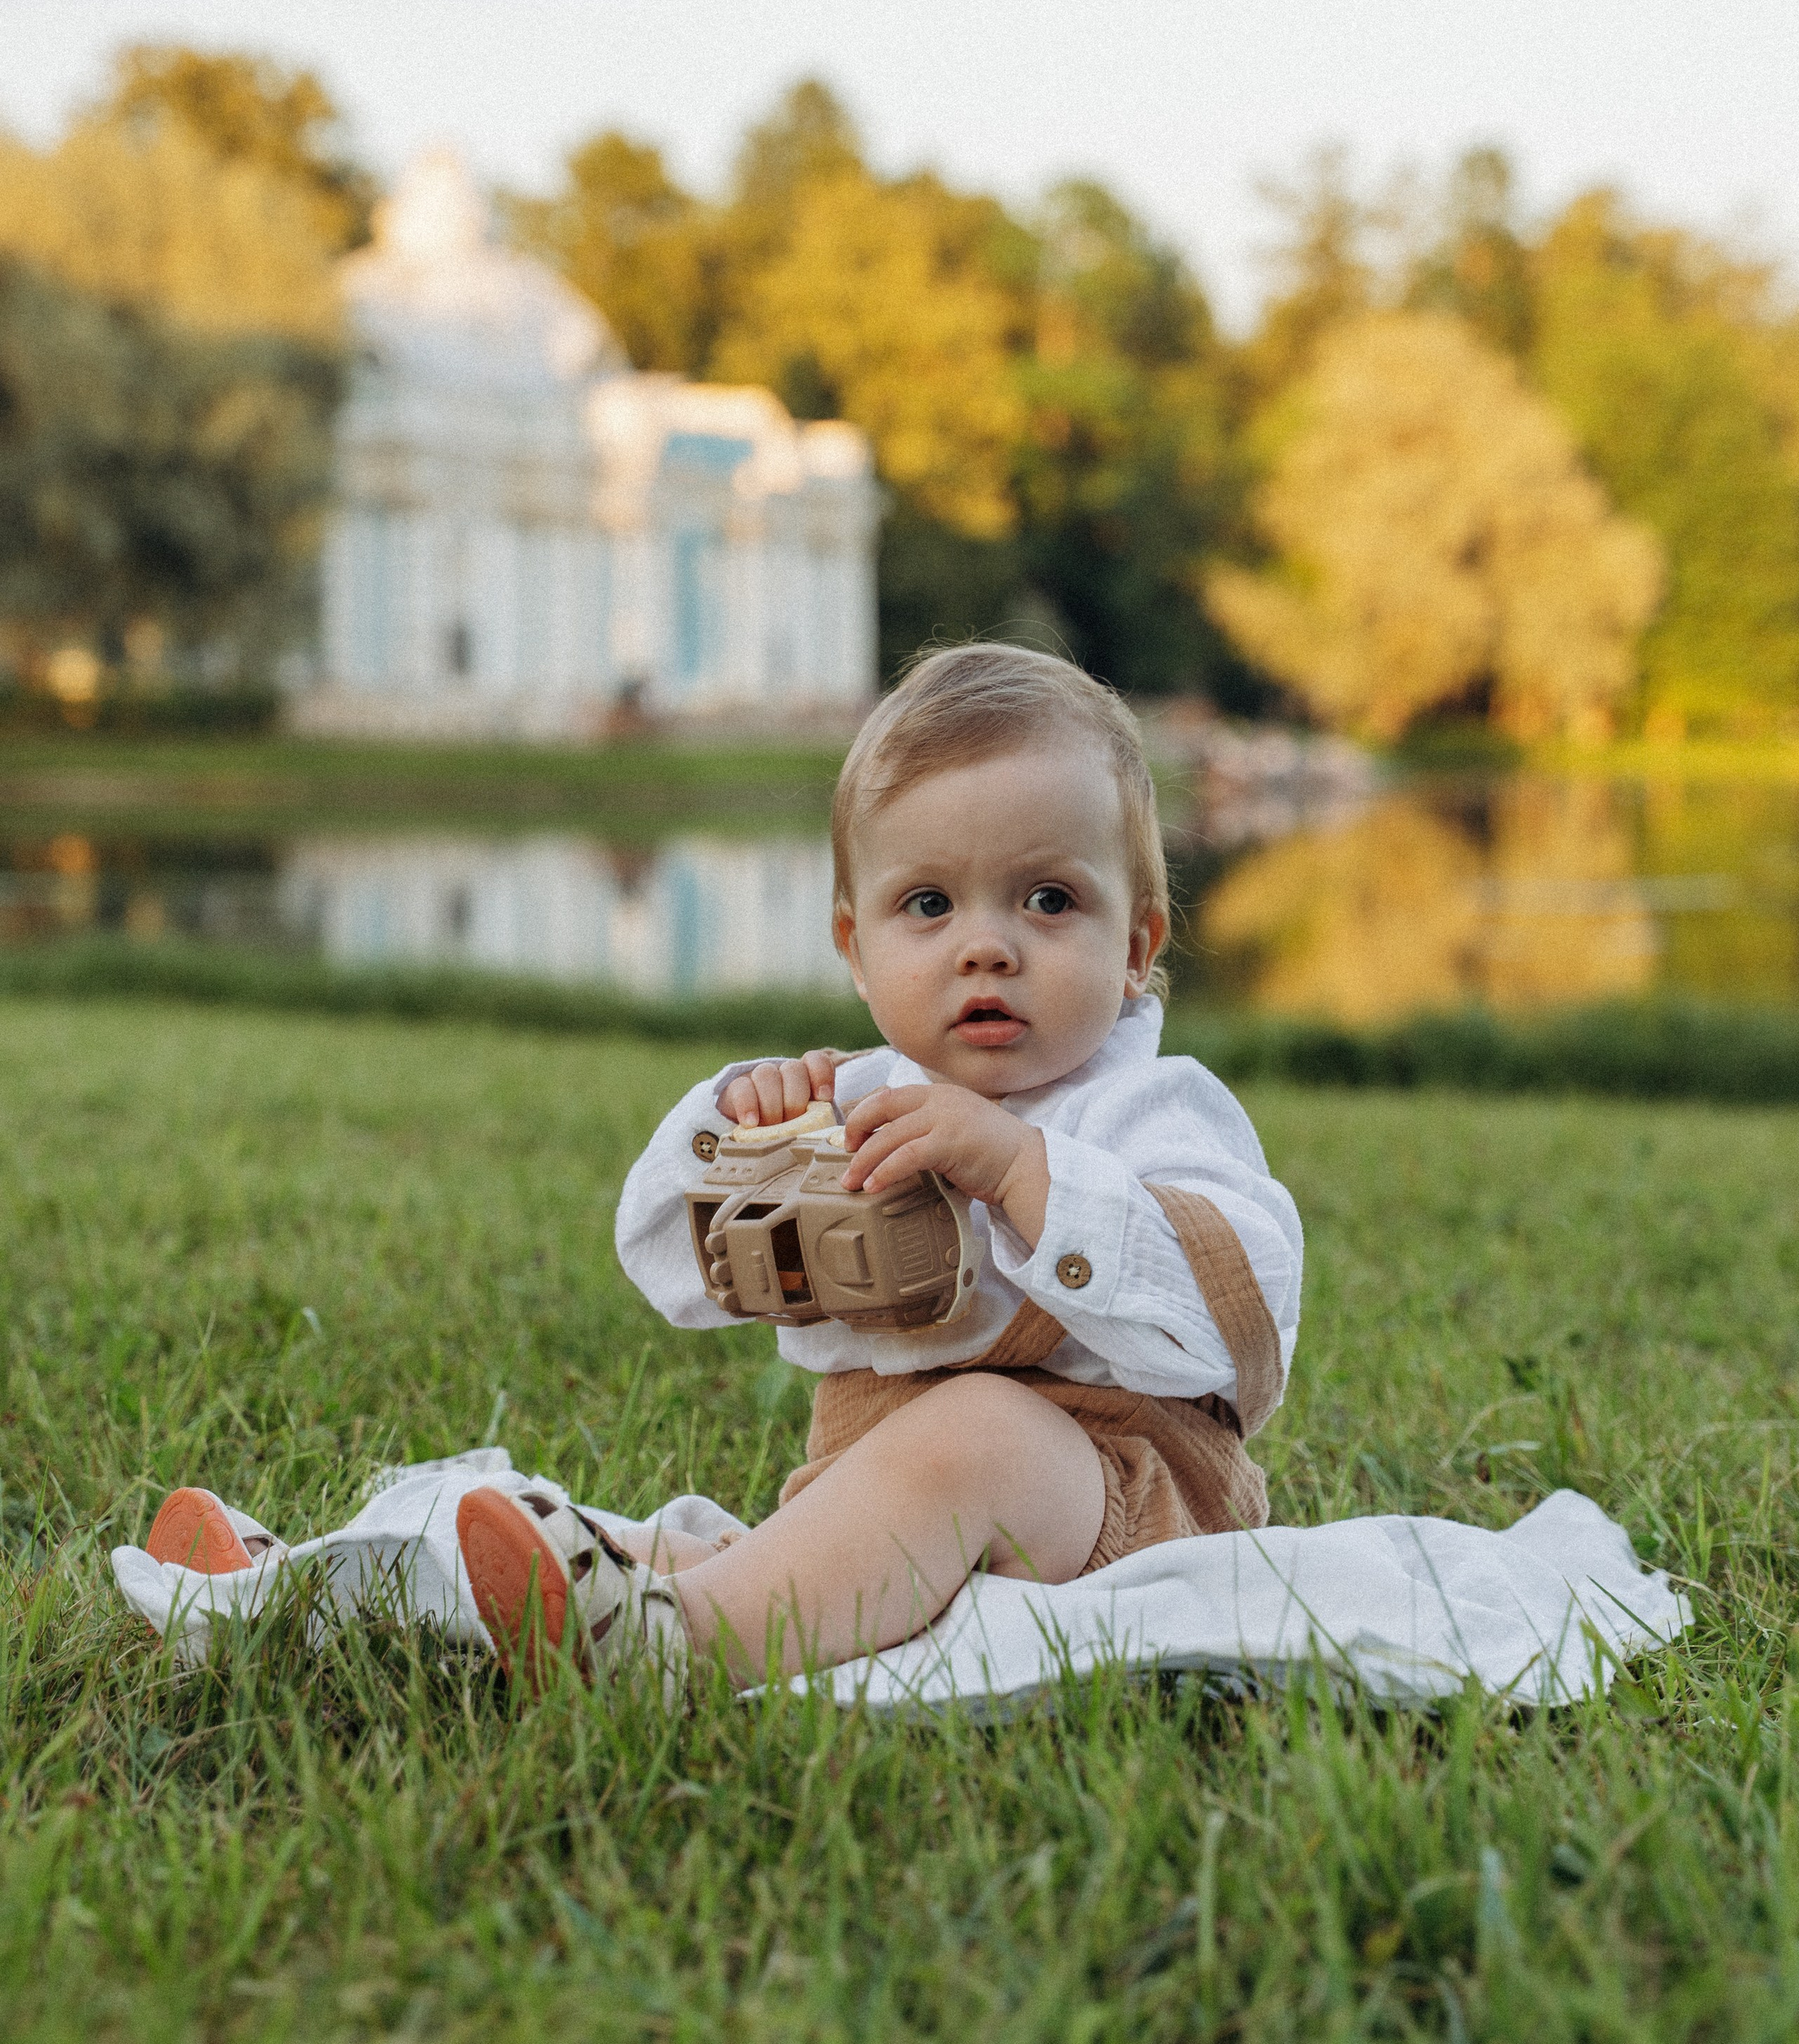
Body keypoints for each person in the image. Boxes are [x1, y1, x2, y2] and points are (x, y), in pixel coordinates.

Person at [448, 643, 1304, 1694]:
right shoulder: (851, 1105)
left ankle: (680, 1650)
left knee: (981, 1431)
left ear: (1137, 943)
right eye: (931, 906)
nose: (986, 947)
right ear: (857, 951)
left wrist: (1026, 1173)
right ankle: (374, 1576)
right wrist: (730, 1139)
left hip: (1120, 1507)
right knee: (735, 1553)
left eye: (1046, 900)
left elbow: (1245, 1310)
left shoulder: (1146, 1108)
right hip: (861, 1505)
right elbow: (669, 1272)